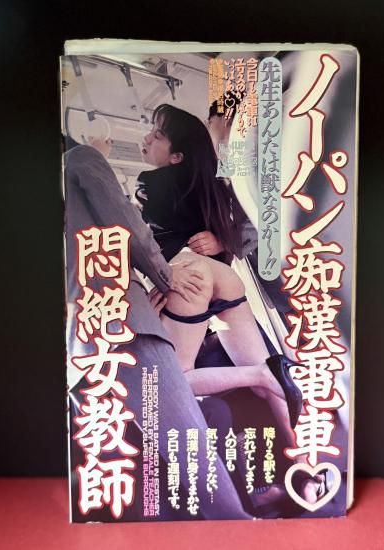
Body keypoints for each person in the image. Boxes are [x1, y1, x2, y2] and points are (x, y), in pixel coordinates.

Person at [135, 104, 323, 504]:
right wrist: (223, 238)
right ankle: (309, 470)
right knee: (272, 388)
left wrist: (160, 276)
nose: (147, 139)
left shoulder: (148, 182)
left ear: (177, 156)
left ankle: (263, 374)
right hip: (224, 278)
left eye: (157, 134)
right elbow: (240, 204)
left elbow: (140, 242)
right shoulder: (212, 185)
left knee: (179, 380)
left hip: (188, 280)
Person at [64, 139, 252, 520]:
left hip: (81, 352)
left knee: (135, 475)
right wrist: (166, 276)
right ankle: (243, 530)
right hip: (121, 323)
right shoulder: (79, 158)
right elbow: (123, 221)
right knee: (193, 454)